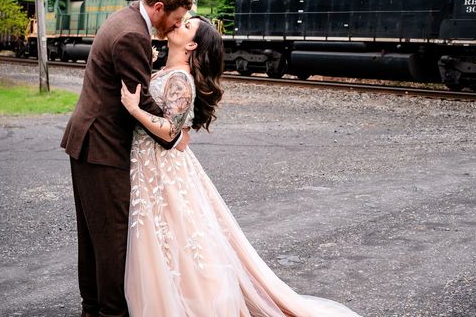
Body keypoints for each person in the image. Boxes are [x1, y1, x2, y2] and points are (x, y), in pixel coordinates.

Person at [120, 16, 362, 316]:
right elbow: (180, 136)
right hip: (150, 164)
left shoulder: (181, 79)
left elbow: (171, 133)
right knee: (164, 239)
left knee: (170, 239)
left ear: (192, 44)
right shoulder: (168, 71)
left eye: (185, 26)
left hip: (162, 169)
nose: (178, 24)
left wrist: (134, 110)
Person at [60, 0, 194, 317]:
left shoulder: (124, 17)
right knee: (112, 240)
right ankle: (109, 313)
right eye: (176, 19)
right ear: (159, 7)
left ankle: (92, 309)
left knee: (93, 238)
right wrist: (174, 135)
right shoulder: (133, 34)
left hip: (89, 141)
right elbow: (137, 105)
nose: (176, 26)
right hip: (102, 146)